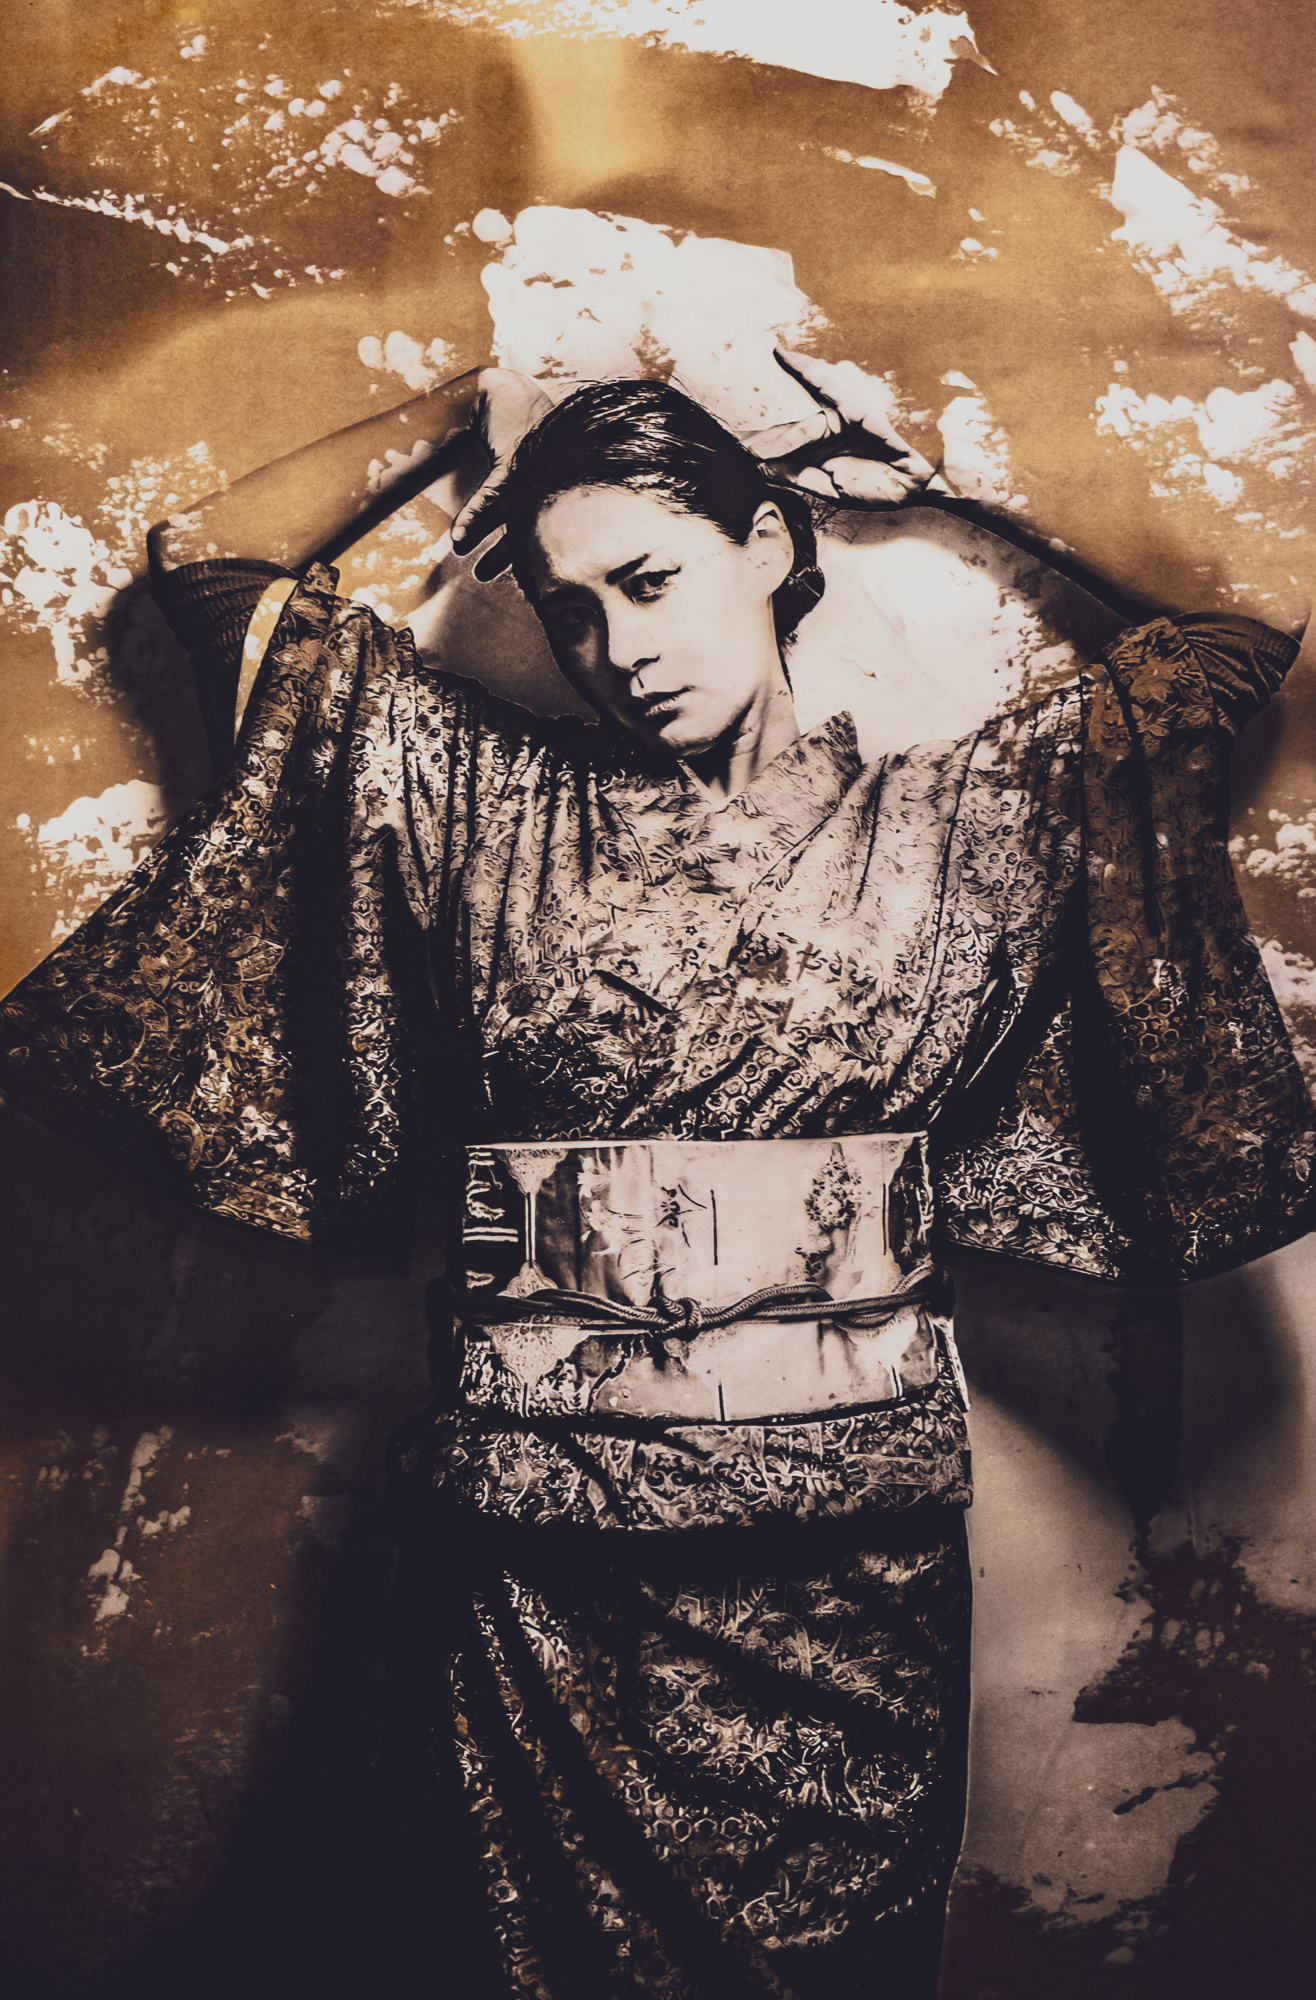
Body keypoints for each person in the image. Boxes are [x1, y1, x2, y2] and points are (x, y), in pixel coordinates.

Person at [1, 355, 1313, 1999]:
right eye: (570, 610)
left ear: (766, 546)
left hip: (846, 1569)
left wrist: (925, 463)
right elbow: (201, 548)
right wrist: (467, 410)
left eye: (649, 580)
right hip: (536, 1565)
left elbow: (1247, 616)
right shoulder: (471, 794)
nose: (619, 648)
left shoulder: (970, 816)